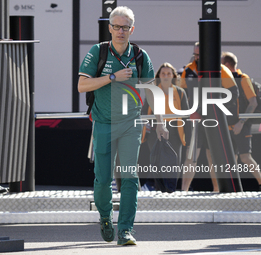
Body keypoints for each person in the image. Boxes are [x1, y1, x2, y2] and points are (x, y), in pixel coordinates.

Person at [78, 6, 167, 245]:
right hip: (104, 123)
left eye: (125, 27)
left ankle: (126, 229)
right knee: (102, 179)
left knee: (129, 177)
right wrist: (112, 77)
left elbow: (153, 91)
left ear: (131, 29)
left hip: (130, 124)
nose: (120, 31)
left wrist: (160, 122)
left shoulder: (140, 56)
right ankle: (106, 216)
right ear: (110, 28)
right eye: (116, 26)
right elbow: (81, 86)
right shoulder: (98, 52)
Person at [180, 42, 238, 192]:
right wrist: (189, 112)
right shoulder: (188, 70)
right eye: (195, 54)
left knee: (213, 156)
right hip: (194, 120)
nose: (197, 57)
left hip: (214, 120)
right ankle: (183, 191)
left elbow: (233, 93)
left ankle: (216, 190)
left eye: (200, 54)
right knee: (191, 155)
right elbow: (182, 94)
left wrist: (216, 109)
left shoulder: (221, 70)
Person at [141, 63, 190, 191]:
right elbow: (144, 112)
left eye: (169, 73)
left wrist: (189, 138)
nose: (166, 76)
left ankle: (171, 191)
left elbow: (186, 116)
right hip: (155, 131)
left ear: (173, 76)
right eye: (163, 73)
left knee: (174, 162)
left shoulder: (180, 92)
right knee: (158, 162)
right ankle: (160, 190)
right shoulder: (152, 91)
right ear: (159, 76)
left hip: (175, 131)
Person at [221, 51, 261, 190]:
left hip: (241, 125)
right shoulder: (225, 81)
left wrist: (241, 122)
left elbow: (253, 103)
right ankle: (235, 189)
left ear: (226, 64)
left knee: (245, 157)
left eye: (221, 64)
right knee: (232, 160)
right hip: (229, 126)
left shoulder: (243, 78)